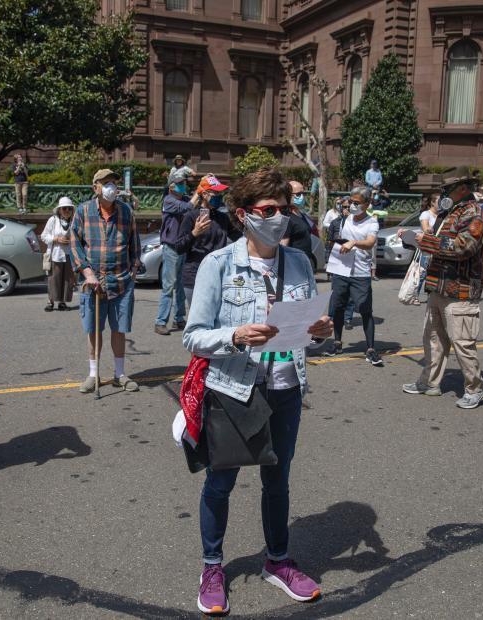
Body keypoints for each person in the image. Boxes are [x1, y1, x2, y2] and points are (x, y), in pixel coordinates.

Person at [182, 167, 333, 615]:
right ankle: (213, 566)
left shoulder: (301, 262)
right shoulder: (219, 264)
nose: (279, 217)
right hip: (234, 387)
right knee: (221, 481)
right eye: (268, 210)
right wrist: (235, 336)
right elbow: (193, 337)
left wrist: (322, 331)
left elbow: (310, 332)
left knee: (278, 479)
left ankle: (278, 561)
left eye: (285, 209)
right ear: (244, 214)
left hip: (286, 387)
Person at [402, 166, 483, 409]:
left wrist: (426, 240)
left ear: (461, 188)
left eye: (447, 188)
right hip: (438, 287)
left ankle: (477, 388)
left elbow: (464, 247)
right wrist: (414, 239)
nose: (443, 193)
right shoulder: (450, 211)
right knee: (433, 339)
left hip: (460, 290)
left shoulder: (474, 213)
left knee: (462, 343)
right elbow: (439, 242)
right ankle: (430, 383)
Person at [70, 169, 141, 394]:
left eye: (114, 183)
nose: (112, 187)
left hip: (121, 280)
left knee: (119, 329)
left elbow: (134, 243)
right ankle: (93, 374)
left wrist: (134, 270)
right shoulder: (83, 211)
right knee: (94, 330)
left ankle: (120, 374)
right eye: (106, 183)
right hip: (94, 283)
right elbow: (75, 243)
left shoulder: (126, 211)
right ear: (96, 188)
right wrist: (87, 272)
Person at [325, 186, 382, 366]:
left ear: (367, 204)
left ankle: (371, 348)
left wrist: (354, 243)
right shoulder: (345, 219)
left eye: (357, 203)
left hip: (360, 273)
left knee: (365, 309)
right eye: (351, 201)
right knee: (338, 307)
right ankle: (337, 343)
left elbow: (370, 242)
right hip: (341, 270)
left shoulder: (371, 222)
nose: (352, 205)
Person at [175, 175, 233, 303]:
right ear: (205, 194)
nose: (219, 196)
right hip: (195, 276)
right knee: (198, 320)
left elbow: (240, 237)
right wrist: (194, 233)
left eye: (220, 192)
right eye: (216, 192)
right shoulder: (191, 216)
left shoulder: (223, 218)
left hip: (219, 275)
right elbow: (179, 247)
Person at [157, 171, 202, 335]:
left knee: (181, 285)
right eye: (180, 183)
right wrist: (199, 190)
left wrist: (201, 191)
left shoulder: (183, 199)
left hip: (183, 246)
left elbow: (193, 206)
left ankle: (179, 318)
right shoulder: (168, 201)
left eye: (184, 183)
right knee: (169, 286)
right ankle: (160, 322)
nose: (183, 185)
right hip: (171, 247)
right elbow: (189, 207)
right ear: (171, 186)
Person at [41, 197, 76, 312]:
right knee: (53, 278)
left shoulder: (74, 221)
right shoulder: (53, 220)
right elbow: (43, 236)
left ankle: (62, 302)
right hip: (55, 254)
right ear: (59, 210)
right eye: (64, 208)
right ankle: (50, 301)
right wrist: (55, 239)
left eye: (69, 208)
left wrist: (71, 240)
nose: (67, 211)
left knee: (67, 279)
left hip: (69, 254)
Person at [281, 181, 314, 264]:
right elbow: (282, 246)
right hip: (293, 264)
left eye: (303, 193)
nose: (302, 197)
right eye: (298, 194)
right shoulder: (286, 217)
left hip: (305, 263)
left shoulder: (302, 215)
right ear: (288, 195)